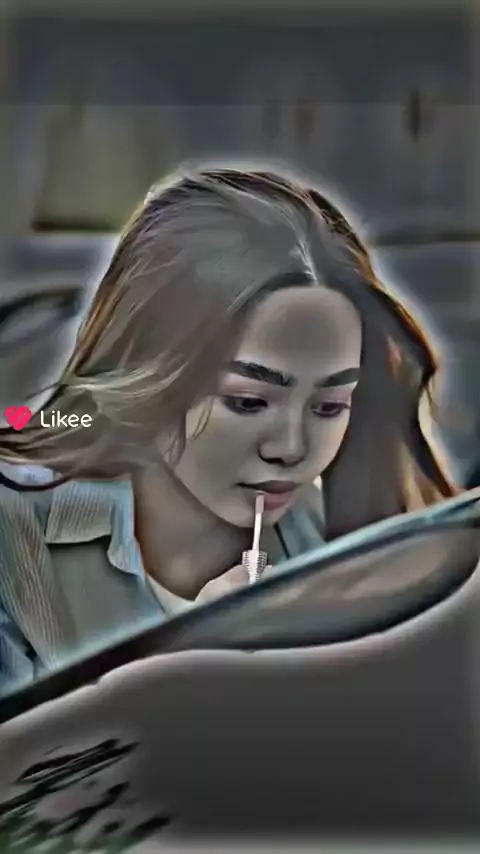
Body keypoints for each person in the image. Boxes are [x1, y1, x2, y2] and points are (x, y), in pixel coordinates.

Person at [0, 165, 458, 693]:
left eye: (329, 405)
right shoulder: (15, 535)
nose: (292, 449)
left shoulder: (334, 536)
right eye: (248, 401)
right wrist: (194, 674)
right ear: (149, 373)